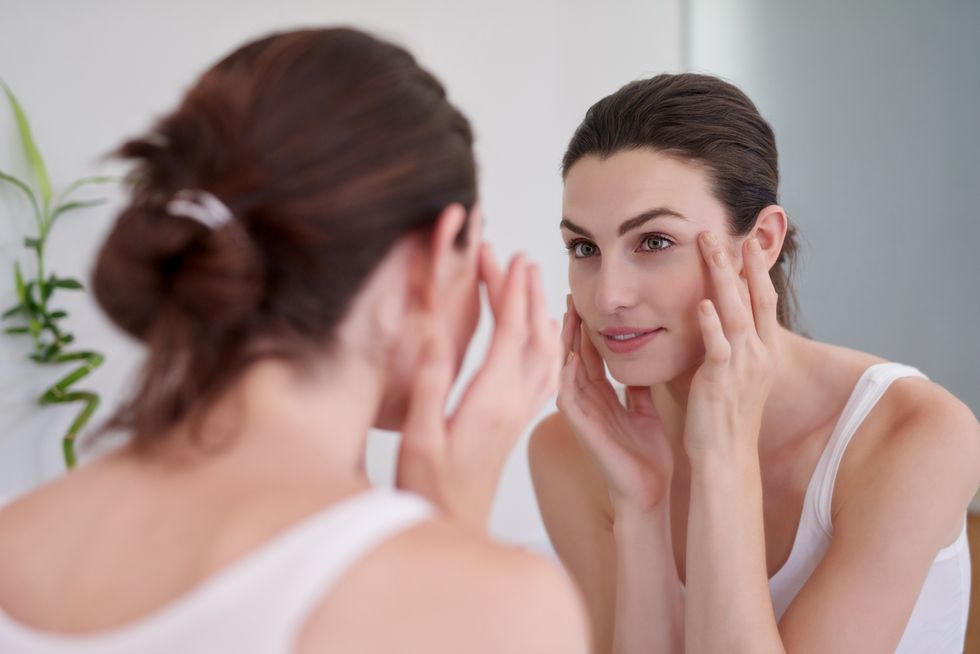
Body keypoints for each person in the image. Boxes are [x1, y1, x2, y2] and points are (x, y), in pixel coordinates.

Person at [0, 28, 588, 654]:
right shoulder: (490, 602)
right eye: (478, 244)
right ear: (432, 257)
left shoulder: (18, 536)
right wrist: (453, 537)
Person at [529, 73, 979, 653]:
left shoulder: (915, 436)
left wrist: (724, 456)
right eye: (584, 248)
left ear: (761, 241)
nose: (608, 295)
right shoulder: (572, 452)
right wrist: (641, 509)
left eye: (654, 241)